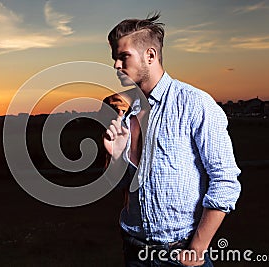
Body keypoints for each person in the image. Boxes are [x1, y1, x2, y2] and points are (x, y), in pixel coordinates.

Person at [102, 12, 241, 267]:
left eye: (123, 57)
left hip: (181, 253)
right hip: (134, 251)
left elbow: (225, 180)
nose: (116, 66)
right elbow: (120, 187)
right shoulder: (125, 112)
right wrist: (115, 159)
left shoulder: (195, 104)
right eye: (115, 58)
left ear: (150, 56)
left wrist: (197, 249)